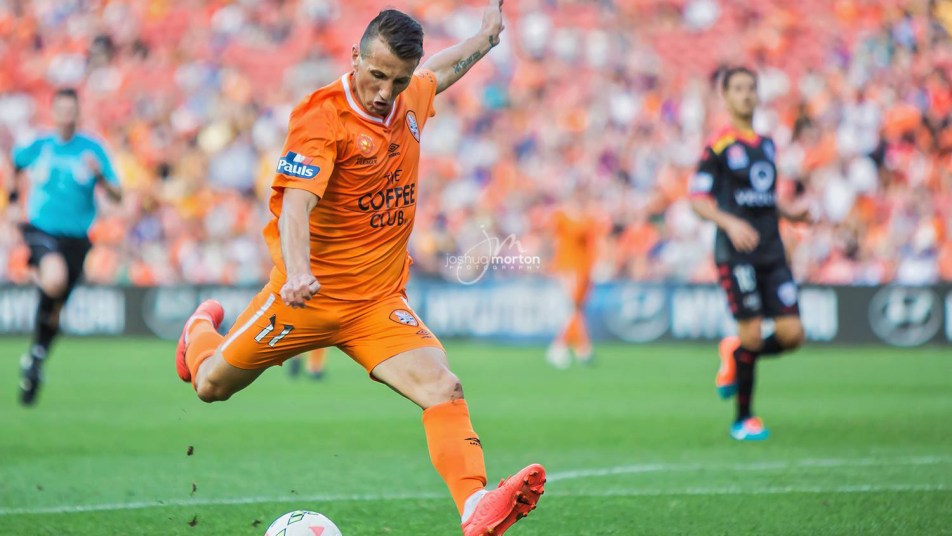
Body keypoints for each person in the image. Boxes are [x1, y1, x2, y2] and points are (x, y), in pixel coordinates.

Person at [174, 3, 545, 534]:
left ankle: (474, 506)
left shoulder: (410, 94)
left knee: (444, 388)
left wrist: (487, 37)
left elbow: (441, 69)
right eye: (376, 75)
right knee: (211, 385)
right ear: (354, 57)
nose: (384, 92)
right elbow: (296, 204)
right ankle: (198, 331)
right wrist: (297, 271)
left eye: (398, 80)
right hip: (307, 298)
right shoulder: (321, 117)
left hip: (377, 304)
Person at [689, 67, 810, 441]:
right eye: (738, 89)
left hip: (771, 250)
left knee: (792, 335)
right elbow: (697, 200)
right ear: (725, 97)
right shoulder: (718, 146)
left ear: (758, 95)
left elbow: (764, 198)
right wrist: (729, 223)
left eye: (750, 88)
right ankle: (743, 419)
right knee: (754, 334)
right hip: (736, 253)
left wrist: (792, 214)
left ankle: (734, 352)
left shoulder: (768, 145)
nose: (745, 94)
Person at [8, 87, 122, 406]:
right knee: (54, 279)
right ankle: (40, 274)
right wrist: (14, 201)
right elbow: (15, 162)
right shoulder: (41, 146)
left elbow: (118, 195)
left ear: (78, 113)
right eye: (62, 110)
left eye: (72, 110)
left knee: (56, 309)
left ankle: (36, 356)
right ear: (54, 112)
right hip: (42, 229)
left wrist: (101, 178)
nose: (66, 116)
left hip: (77, 239)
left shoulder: (92, 150)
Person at [545, 187, 605, 369]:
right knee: (573, 309)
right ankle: (562, 346)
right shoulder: (562, 217)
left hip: (583, 268)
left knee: (578, 309)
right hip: (568, 267)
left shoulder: (587, 219)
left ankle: (581, 347)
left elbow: (593, 243)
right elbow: (551, 238)